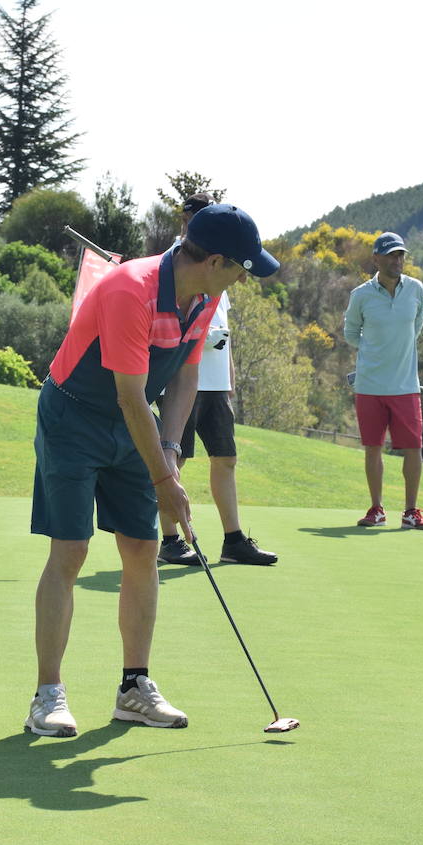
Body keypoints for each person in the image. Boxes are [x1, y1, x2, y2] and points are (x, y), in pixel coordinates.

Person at [26, 204, 280, 737]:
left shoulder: (208, 297)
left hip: (133, 423)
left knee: (142, 549)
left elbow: (187, 376)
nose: (242, 277)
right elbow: (129, 393)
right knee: (70, 550)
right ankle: (47, 696)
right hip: (74, 416)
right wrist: (165, 485)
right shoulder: (130, 289)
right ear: (213, 260)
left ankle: (133, 690)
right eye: (239, 267)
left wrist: (169, 451)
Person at [157, 194, 277, 567]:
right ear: (187, 221)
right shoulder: (180, 263)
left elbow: (221, 321)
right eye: (195, 215)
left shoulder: (223, 264)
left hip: (214, 380)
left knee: (225, 459)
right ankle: (170, 540)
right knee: (174, 459)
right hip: (180, 381)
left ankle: (233, 539)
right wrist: (205, 338)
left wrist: (229, 371)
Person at [343, 232, 423, 530]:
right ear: (376, 259)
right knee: (372, 447)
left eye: (400, 255)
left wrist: (398, 351)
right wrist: (373, 353)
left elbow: (418, 322)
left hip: (406, 385)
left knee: (413, 448)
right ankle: (377, 509)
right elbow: (351, 333)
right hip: (369, 386)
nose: (397, 260)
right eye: (391, 255)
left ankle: (411, 512)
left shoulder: (416, 289)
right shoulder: (361, 295)